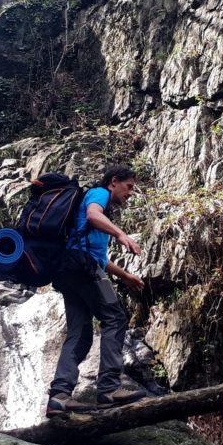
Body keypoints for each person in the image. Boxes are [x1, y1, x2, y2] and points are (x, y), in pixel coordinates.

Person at [46, 164, 147, 415]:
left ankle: (59, 397)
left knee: (79, 333)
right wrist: (123, 236)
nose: (130, 193)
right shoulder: (99, 194)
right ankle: (109, 389)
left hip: (69, 271)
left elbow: (100, 259)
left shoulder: (96, 222)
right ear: (114, 182)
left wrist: (124, 276)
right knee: (115, 317)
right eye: (129, 186)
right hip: (81, 267)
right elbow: (93, 214)